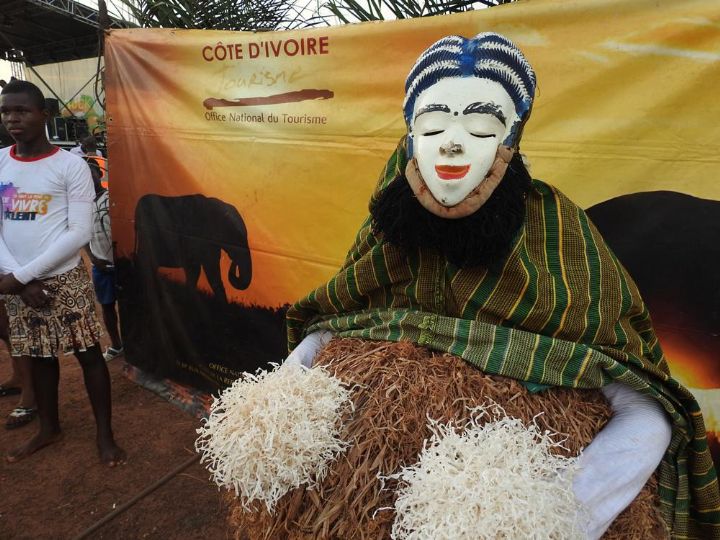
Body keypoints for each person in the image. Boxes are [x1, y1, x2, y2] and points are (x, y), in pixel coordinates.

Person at [285, 33, 720, 537]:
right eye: (432, 122)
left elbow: (635, 383)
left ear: (510, 139)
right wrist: (283, 394)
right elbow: (337, 317)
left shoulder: (557, 232)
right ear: (410, 134)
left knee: (649, 416)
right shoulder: (388, 226)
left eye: (480, 123)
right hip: (374, 467)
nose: (452, 141)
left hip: (521, 482)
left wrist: (548, 514)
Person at [0, 79, 125, 465]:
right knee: (38, 358)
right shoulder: (1, 161)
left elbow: (79, 232)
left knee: (88, 355)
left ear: (45, 115)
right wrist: (18, 279)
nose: (12, 118)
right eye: (6, 111)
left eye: (21, 110)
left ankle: (105, 435)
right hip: (16, 281)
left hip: (63, 281)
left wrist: (22, 277)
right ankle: (49, 428)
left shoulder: (71, 165)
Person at [84, 157, 123, 361]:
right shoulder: (81, 205)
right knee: (107, 307)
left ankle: (136, 344)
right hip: (100, 265)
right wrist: (94, 258)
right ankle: (117, 345)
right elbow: (81, 236)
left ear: (99, 175)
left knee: (130, 306)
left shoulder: (114, 198)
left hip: (123, 265)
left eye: (91, 175)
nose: (88, 180)